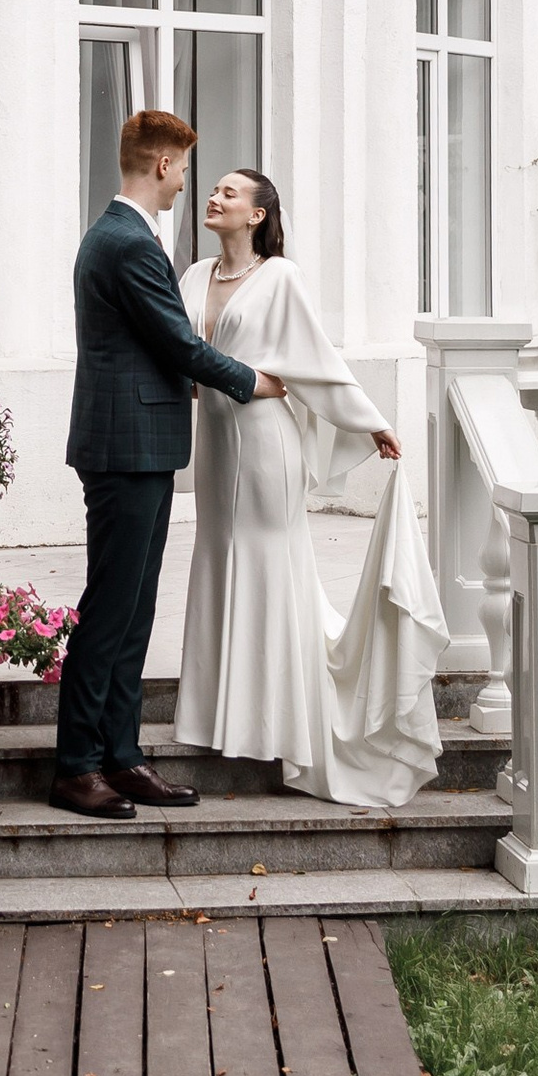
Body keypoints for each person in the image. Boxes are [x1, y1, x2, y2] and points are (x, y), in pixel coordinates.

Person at [174, 168, 448, 807]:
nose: (213, 198)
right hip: (213, 446)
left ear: (259, 215)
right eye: (212, 189)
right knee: (216, 557)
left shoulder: (281, 278)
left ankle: (278, 721)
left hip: (266, 444)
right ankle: (221, 716)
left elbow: (317, 363)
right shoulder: (191, 277)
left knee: (269, 563)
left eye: (229, 193)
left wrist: (370, 420)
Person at [54, 109, 288, 821]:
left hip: (141, 444)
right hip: (125, 448)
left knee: (134, 609)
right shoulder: (125, 242)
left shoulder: (127, 236)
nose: (187, 184)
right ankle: (75, 767)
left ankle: (121, 757)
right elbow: (179, 347)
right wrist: (255, 381)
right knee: (110, 610)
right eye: (185, 169)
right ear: (161, 166)